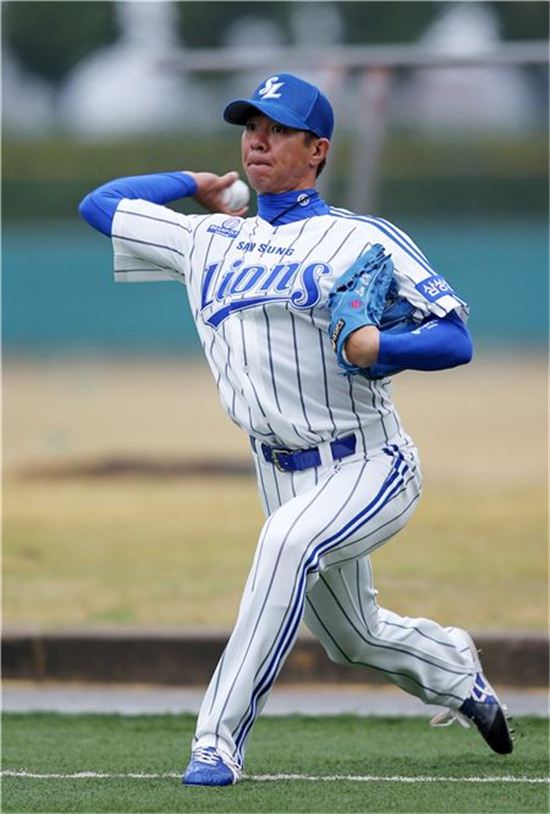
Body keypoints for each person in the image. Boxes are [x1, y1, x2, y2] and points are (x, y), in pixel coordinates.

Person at [79, 73, 513, 786]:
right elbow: (100, 206)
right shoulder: (208, 240)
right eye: (251, 126)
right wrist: (196, 183)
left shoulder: (359, 238)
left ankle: (216, 742)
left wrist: (381, 348)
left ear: (317, 150)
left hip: (370, 461)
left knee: (287, 543)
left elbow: (455, 339)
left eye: (277, 129)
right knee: (353, 637)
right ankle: (456, 671)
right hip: (278, 471)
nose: (258, 139)